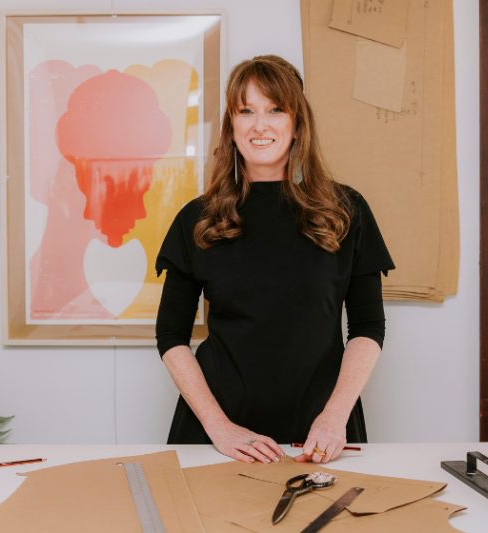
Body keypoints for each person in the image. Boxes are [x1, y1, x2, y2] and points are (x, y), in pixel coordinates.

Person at [154, 55, 394, 465]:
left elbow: (368, 326)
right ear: (231, 127)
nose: (259, 126)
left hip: (320, 435)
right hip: (219, 438)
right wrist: (219, 427)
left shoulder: (345, 211)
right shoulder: (198, 219)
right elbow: (171, 334)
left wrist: (334, 418)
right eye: (245, 111)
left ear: (298, 125)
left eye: (275, 110)